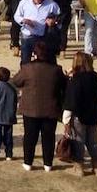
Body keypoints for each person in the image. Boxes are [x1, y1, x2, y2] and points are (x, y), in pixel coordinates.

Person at [11, 42, 67, 172]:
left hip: (30, 109)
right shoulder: (56, 70)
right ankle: (48, 163)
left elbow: (16, 81)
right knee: (48, 137)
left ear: (35, 54)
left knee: (30, 136)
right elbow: (64, 86)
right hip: (51, 108)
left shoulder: (27, 68)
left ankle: (28, 162)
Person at [64, 52, 97, 177]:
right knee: (93, 142)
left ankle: (79, 167)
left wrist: (66, 121)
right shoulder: (95, 77)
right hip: (95, 113)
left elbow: (70, 101)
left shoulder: (75, 80)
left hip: (79, 115)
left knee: (78, 141)